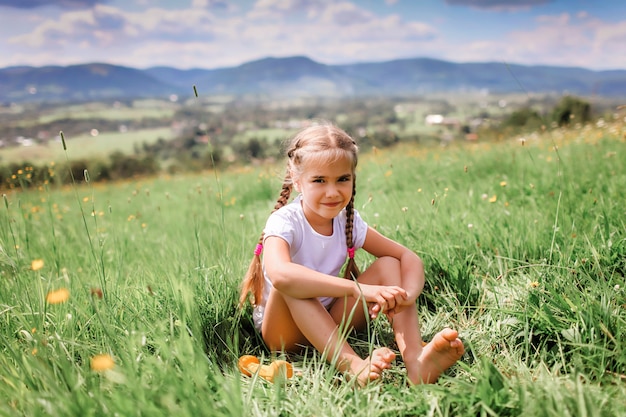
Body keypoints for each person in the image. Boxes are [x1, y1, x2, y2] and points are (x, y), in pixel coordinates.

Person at [239, 122, 464, 385]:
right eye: (319, 180)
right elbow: (280, 275)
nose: (332, 192)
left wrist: (404, 296)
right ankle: (353, 366)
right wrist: (359, 290)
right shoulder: (285, 221)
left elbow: (408, 258)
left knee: (389, 264)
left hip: (331, 321)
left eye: (342, 179)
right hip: (285, 335)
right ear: (297, 179)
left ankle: (416, 359)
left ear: (352, 177)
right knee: (293, 284)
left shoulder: (347, 220)